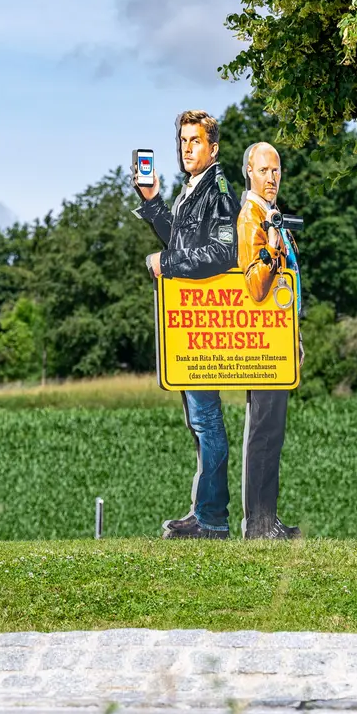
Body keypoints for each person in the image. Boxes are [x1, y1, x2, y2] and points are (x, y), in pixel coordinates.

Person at [133, 110, 240, 539]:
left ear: (213, 148)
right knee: (200, 421)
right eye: (182, 141)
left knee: (207, 421)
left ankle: (213, 519)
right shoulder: (193, 189)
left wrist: (168, 262)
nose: (186, 149)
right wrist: (152, 199)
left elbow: (222, 252)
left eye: (195, 141)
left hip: (205, 319)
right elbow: (180, 238)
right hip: (189, 321)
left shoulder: (218, 188)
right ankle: (205, 512)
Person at [234, 141, 302, 540]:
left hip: (279, 339)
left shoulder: (271, 215)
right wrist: (273, 247)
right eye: (264, 171)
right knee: (262, 432)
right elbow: (256, 286)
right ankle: (258, 526)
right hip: (261, 344)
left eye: (276, 171)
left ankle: (267, 519)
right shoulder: (250, 220)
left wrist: (295, 337)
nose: (272, 178)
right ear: (249, 172)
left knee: (272, 434)